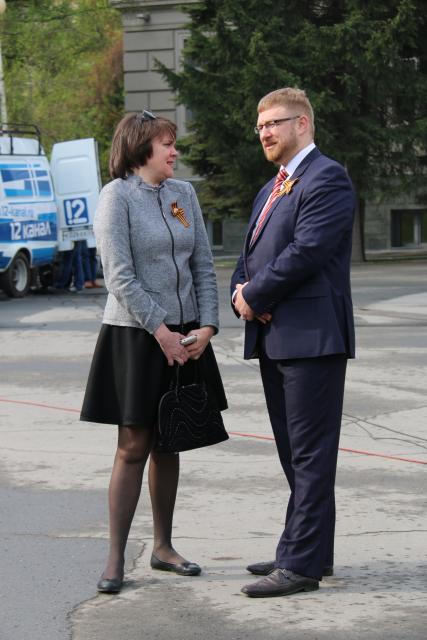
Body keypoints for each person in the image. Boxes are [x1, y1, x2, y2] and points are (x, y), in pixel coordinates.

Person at [81, 110, 227, 594]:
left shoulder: (184, 194)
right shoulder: (116, 196)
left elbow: (203, 264)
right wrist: (160, 330)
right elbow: (118, 275)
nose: (174, 151)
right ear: (140, 148)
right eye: (167, 143)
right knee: (133, 446)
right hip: (136, 335)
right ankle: (115, 559)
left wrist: (207, 325)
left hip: (187, 336)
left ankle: (163, 547)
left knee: (171, 441)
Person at [231, 87, 355, 598]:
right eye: (260, 126)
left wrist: (254, 294)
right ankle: (304, 550)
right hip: (275, 336)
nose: (264, 133)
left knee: (310, 455)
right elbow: (252, 253)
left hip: (312, 339)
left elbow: (306, 252)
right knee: (293, 453)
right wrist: (240, 292)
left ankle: (301, 567)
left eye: (273, 123)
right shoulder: (272, 187)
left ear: (302, 124)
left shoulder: (328, 178)